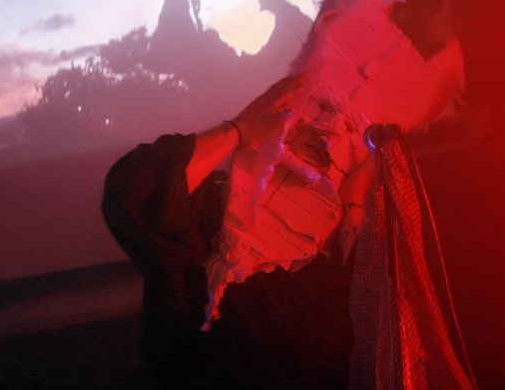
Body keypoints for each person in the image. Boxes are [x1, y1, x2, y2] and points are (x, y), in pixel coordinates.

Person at [102, 74, 373, 389]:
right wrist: (237, 131)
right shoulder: (208, 210)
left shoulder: (344, 261)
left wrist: (356, 203)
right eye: (314, 114)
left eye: (344, 129)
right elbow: (132, 193)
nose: (323, 133)